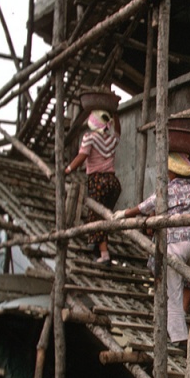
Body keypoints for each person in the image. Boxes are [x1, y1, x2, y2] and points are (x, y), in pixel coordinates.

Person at [116, 152, 190, 347]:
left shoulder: (166, 189)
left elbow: (145, 206)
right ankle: (181, 322)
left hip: (175, 245)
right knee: (188, 284)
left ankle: (179, 336)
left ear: (171, 172)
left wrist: (123, 213)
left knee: (173, 291)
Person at [65, 109, 121, 263]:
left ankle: (104, 254)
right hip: (113, 183)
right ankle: (96, 245)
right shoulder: (111, 140)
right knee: (104, 215)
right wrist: (115, 114)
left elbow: (82, 156)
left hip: (98, 182)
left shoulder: (89, 138)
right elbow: (118, 132)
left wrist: (68, 170)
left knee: (96, 216)